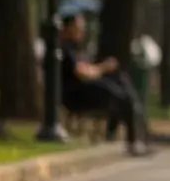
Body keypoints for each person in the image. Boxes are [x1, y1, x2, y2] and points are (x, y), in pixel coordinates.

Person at [59, 14, 151, 156]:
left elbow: (86, 68)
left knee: (121, 85)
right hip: (76, 95)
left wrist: (103, 68)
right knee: (119, 96)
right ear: (68, 28)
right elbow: (81, 72)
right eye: (79, 28)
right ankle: (128, 139)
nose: (82, 31)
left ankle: (131, 135)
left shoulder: (75, 48)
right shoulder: (64, 48)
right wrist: (103, 68)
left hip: (84, 90)